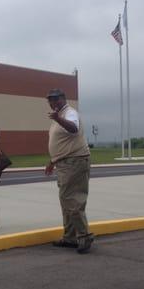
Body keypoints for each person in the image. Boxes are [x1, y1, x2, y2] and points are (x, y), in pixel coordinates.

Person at [44, 88, 94, 254]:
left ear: (64, 99)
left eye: (56, 99)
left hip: (75, 161)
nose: (53, 102)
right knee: (66, 200)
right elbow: (62, 143)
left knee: (72, 200)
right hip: (65, 163)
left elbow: (73, 128)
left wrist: (58, 118)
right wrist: (53, 161)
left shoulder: (69, 113)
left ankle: (84, 236)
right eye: (50, 100)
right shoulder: (60, 115)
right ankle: (70, 237)